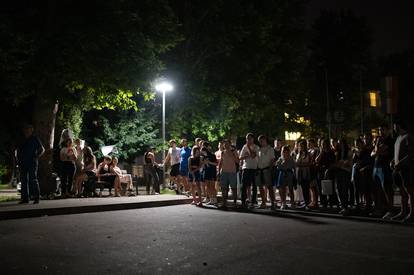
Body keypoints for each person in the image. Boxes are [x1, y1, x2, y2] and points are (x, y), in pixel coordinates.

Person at [390, 119, 414, 222]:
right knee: (401, 191)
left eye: (395, 126)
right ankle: (403, 212)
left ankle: (412, 214)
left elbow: (411, 154)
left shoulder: (408, 137)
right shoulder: (398, 138)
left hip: (406, 169)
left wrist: (400, 163)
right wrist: (392, 161)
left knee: (410, 191)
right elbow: (397, 153)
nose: (394, 128)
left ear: (399, 126)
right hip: (398, 169)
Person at [16, 124, 45, 204]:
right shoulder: (21, 139)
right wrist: (18, 160)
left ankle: (36, 197)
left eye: (28, 129)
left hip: (32, 162)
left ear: (31, 130)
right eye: (25, 129)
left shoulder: (35, 139)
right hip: (22, 162)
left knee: (33, 179)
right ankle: (25, 198)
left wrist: (36, 156)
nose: (26, 131)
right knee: (23, 180)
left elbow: (42, 149)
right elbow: (17, 150)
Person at [373, 125, 395, 219]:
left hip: (384, 167)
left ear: (388, 130)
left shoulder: (389, 140)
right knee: (378, 190)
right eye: (379, 130)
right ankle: (382, 209)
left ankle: (391, 210)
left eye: (382, 129)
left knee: (387, 189)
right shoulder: (379, 140)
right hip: (376, 166)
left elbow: (377, 151)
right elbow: (372, 153)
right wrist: (377, 150)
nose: (380, 131)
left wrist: (377, 147)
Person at [316, 138, 337, 208]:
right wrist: (321, 153)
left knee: (329, 187)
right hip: (321, 171)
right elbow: (317, 160)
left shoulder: (331, 152)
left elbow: (333, 162)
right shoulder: (320, 152)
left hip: (329, 171)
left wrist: (328, 169)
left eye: (324, 144)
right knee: (321, 187)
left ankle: (332, 202)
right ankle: (323, 202)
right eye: (322, 144)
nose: (323, 145)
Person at [239, 133, 259, 208]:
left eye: (249, 138)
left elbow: (253, 156)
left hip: (253, 168)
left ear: (253, 139)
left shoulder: (256, 147)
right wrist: (247, 155)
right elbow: (240, 158)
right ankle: (243, 201)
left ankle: (253, 202)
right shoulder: (244, 147)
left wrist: (249, 148)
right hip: (246, 168)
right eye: (247, 138)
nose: (248, 140)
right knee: (243, 185)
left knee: (254, 186)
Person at [218, 139, 239, 209]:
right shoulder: (223, 152)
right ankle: (224, 203)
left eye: (227, 143)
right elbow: (220, 162)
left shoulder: (234, 151)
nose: (225, 145)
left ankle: (235, 203)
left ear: (230, 144)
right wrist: (218, 171)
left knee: (233, 188)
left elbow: (238, 161)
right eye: (224, 144)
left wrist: (232, 154)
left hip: (232, 172)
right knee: (223, 188)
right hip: (224, 172)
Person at [256, 135, 276, 209]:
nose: (261, 142)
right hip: (260, 169)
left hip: (267, 169)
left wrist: (270, 169)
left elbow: (272, 159)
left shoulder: (270, 149)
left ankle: (273, 203)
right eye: (260, 141)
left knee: (269, 187)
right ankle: (263, 203)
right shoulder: (259, 149)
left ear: (266, 140)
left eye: (262, 140)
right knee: (260, 187)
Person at [335, 138, 352, 215]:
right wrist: (341, 163)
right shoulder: (337, 153)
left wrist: (341, 164)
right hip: (338, 172)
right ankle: (343, 206)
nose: (340, 145)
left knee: (344, 190)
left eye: (341, 143)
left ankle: (346, 207)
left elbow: (348, 163)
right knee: (339, 189)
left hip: (345, 172)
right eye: (339, 143)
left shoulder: (348, 152)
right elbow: (337, 163)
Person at [296, 140, 311, 209]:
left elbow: (308, 163)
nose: (300, 147)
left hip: (306, 172)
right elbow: (297, 162)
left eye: (302, 146)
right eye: (300, 146)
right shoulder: (299, 153)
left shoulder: (308, 153)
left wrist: (300, 164)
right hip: (300, 172)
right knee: (303, 188)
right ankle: (305, 202)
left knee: (306, 188)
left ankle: (308, 203)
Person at [307, 138, 319, 208]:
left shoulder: (316, 150)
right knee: (310, 186)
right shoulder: (309, 151)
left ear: (313, 143)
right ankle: (312, 201)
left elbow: (315, 160)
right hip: (309, 170)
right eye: (308, 143)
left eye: (310, 143)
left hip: (313, 170)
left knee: (313, 186)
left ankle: (315, 202)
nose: (309, 144)